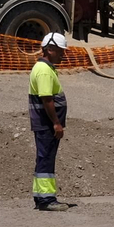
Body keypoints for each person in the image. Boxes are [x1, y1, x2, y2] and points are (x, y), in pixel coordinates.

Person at [29, 33, 73, 211]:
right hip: (47, 124)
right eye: (60, 51)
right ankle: (47, 200)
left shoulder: (45, 68)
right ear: (49, 49)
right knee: (46, 159)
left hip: (45, 124)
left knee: (44, 159)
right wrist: (56, 123)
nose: (63, 54)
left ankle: (41, 197)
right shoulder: (44, 71)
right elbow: (47, 99)